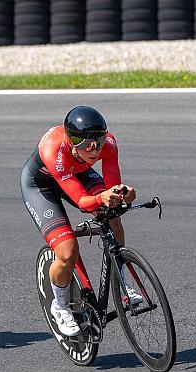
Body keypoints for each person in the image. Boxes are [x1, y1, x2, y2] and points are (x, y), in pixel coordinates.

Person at [21, 106, 141, 336]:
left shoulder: (109, 145)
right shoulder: (53, 149)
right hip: (40, 186)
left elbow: (112, 188)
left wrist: (121, 194)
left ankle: (123, 286)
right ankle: (60, 306)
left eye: (99, 141)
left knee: (112, 216)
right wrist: (101, 197)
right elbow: (82, 200)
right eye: (87, 145)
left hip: (76, 174)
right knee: (67, 251)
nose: (95, 150)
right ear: (72, 142)